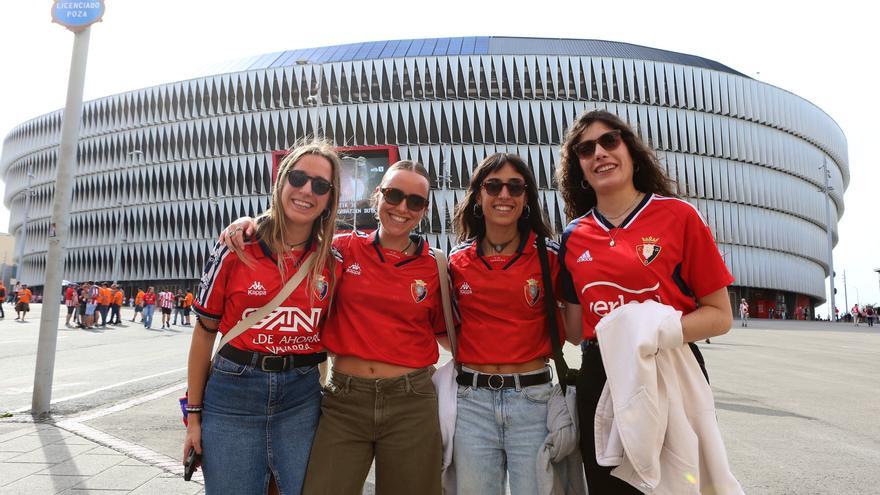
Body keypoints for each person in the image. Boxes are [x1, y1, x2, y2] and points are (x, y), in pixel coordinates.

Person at [223, 159, 445, 495]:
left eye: (415, 201)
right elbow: (291, 235)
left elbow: (449, 332)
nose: (402, 208)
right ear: (377, 195)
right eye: (394, 195)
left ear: (425, 210)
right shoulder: (340, 250)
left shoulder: (436, 265)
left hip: (410, 401)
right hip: (345, 399)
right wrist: (250, 222)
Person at [556, 110, 734, 493]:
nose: (599, 153)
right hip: (600, 375)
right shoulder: (573, 235)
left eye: (609, 141)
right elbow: (572, 329)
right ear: (579, 169)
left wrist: (647, 333)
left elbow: (720, 316)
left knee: (680, 482)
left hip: (669, 366)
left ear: (632, 151)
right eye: (585, 149)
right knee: (610, 487)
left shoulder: (679, 216)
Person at [185, 140, 342, 495]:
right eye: (298, 178)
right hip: (232, 396)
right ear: (281, 181)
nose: (306, 191)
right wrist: (193, 417)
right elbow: (204, 333)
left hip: (303, 397)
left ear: (330, 198)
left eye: (320, 185)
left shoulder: (334, 261)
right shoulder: (236, 246)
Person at [448, 152, 561, 494]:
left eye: (515, 187)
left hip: (533, 401)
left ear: (526, 199)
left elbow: (572, 321)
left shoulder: (550, 257)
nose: (504, 195)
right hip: (472, 403)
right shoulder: (455, 262)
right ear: (478, 197)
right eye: (493, 185)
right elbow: (444, 327)